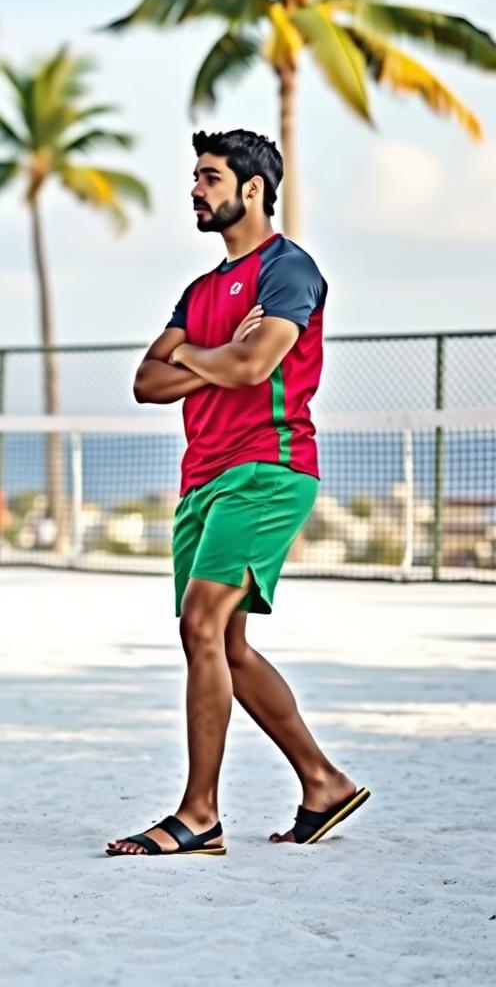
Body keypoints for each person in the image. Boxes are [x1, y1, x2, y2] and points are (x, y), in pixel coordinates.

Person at [106, 129, 368, 857]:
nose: (195, 190)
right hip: (202, 478)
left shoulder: (289, 270)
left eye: (210, 178)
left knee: (200, 625)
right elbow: (145, 383)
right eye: (195, 177)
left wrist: (196, 357)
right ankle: (324, 782)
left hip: (267, 468)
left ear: (252, 189)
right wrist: (203, 355)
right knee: (226, 642)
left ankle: (199, 815)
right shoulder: (197, 292)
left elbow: (256, 364)